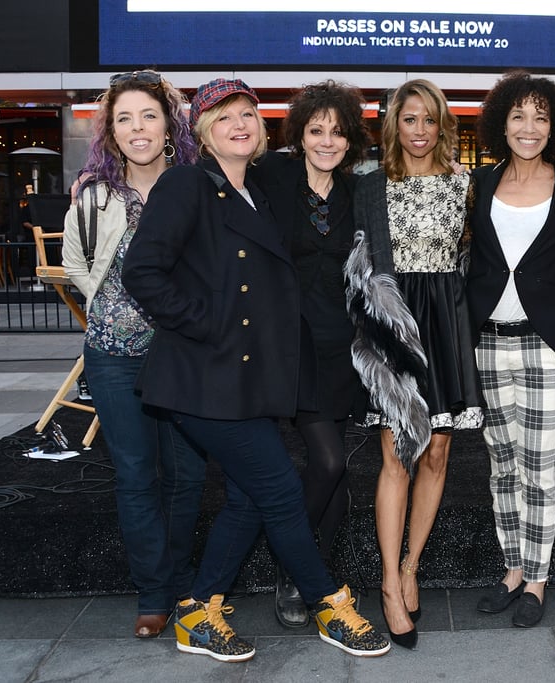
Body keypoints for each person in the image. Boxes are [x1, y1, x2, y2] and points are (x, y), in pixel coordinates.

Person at [122, 78, 389, 661]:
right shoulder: (188, 183)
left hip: (243, 382)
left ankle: (199, 610)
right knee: (280, 489)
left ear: (262, 128)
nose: (238, 124)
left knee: (248, 499)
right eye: (223, 118)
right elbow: (142, 271)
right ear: (201, 131)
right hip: (200, 377)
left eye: (247, 114)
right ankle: (328, 602)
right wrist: (207, 322)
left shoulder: (255, 196)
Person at [60, 69, 206, 639]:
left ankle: (183, 581)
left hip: (184, 355)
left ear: (169, 124)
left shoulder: (197, 184)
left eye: (148, 115)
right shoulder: (94, 195)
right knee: (136, 475)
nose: (137, 128)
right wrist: (107, 302)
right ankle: (153, 594)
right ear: (111, 131)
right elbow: (75, 262)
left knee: (188, 474)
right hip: (113, 354)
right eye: (124, 118)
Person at [346, 78, 483, 648]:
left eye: (430, 120)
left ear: (442, 124)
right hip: (393, 322)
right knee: (397, 455)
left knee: (439, 452)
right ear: (393, 125)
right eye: (410, 120)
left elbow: (475, 260)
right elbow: (354, 263)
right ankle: (385, 581)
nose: (420, 131)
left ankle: (411, 565)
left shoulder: (464, 184)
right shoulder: (368, 185)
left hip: (446, 326)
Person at [467, 72, 555, 628]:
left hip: (544, 344)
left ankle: (536, 581)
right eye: (519, 116)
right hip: (486, 342)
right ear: (502, 122)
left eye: (541, 117)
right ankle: (511, 570)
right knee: (501, 466)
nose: (529, 127)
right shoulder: (480, 181)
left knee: (540, 467)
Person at [251, 80, 371, 628]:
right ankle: (295, 569)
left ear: (351, 139)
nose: (327, 141)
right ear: (298, 133)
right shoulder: (270, 176)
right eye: (316, 130)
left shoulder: (356, 193)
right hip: (286, 345)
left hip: (340, 349)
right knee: (327, 461)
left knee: (337, 474)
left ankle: (318, 576)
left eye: (338, 132)